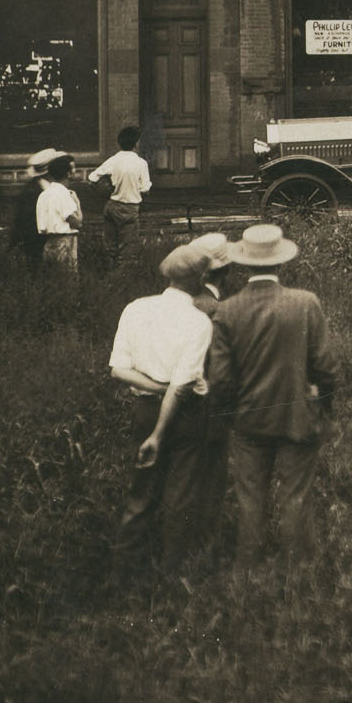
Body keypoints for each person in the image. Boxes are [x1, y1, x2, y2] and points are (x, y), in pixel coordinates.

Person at [205, 221, 340, 567]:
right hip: (298, 413)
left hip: (249, 419)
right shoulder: (305, 303)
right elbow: (326, 367)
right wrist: (324, 405)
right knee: (296, 494)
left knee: (251, 497)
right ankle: (297, 571)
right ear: (280, 262)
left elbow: (220, 379)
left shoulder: (227, 310)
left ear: (244, 263)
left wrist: (230, 414)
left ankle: (247, 571)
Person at [109, 242, 226, 576]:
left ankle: (123, 570)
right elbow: (182, 385)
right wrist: (160, 432)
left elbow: (118, 369)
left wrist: (154, 391)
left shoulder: (136, 308)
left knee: (141, 491)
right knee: (181, 492)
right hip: (186, 414)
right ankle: (172, 576)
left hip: (143, 411)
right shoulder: (198, 321)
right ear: (201, 278)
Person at [88, 124, 154, 270]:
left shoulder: (113, 160)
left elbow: (92, 177)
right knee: (128, 249)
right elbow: (145, 188)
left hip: (111, 206)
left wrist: (106, 189)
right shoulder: (141, 163)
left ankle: (109, 276)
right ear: (136, 143)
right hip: (130, 208)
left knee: (110, 247)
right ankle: (123, 280)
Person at [33, 150, 83, 269]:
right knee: (68, 280)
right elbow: (77, 223)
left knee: (52, 280)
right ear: (68, 174)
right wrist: (77, 202)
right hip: (65, 242)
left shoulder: (44, 195)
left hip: (48, 243)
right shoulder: (64, 194)